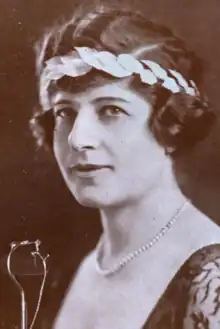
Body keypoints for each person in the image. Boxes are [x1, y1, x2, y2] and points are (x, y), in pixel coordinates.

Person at [30, 4, 220, 328]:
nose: (78, 139)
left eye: (111, 110)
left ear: (170, 126)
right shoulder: (85, 265)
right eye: (65, 112)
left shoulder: (211, 284)